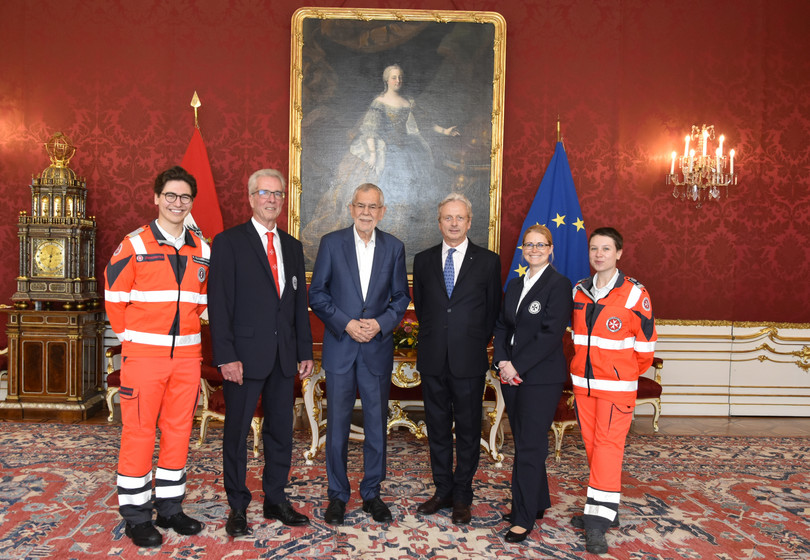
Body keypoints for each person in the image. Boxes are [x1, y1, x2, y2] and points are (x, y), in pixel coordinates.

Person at [104, 166, 209, 548]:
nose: (177, 203)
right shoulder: (134, 244)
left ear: (191, 203)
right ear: (156, 198)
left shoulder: (203, 248)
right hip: (144, 359)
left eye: (184, 197)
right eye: (170, 196)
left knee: (179, 433)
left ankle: (169, 508)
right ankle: (135, 516)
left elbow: (201, 304)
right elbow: (114, 298)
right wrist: (135, 341)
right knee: (139, 433)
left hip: (186, 359)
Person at [207, 169, 314, 537]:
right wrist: (226, 356)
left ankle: (275, 498)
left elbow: (298, 305)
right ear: (251, 198)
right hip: (243, 359)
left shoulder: (293, 246)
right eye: (264, 193)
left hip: (284, 358)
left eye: (278, 194)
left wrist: (304, 350)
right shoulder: (228, 242)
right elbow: (218, 304)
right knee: (236, 434)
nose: (272, 199)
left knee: (281, 431)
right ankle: (237, 505)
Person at [309, 183, 410, 525]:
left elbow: (400, 298)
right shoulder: (331, 243)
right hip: (341, 347)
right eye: (361, 206)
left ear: (382, 211)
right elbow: (318, 295)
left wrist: (379, 324)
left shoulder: (394, 247)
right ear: (351, 208)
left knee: (376, 426)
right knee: (336, 426)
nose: (366, 212)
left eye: (373, 207)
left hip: (376, 350)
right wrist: (346, 323)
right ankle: (337, 496)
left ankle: (372, 493)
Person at [302, 64, 459, 265]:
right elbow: (370, 130)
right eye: (394, 77)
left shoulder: (408, 102)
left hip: (408, 151)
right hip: (385, 150)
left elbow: (425, 123)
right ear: (387, 80)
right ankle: (378, 243)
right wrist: (375, 155)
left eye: (400, 77)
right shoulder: (379, 102)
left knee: (415, 189)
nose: (398, 81)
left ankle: (403, 242)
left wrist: (445, 131)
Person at [412, 192, 501, 524]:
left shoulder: (488, 261)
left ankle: (463, 494)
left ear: (469, 221)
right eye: (447, 217)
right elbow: (424, 309)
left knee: (467, 430)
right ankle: (442, 490)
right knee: (436, 429)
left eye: (459, 217)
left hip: (469, 360)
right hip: (434, 358)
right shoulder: (422, 260)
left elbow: (491, 311)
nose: (453, 223)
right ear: (439, 222)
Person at [570, 227, 657, 554]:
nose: (599, 254)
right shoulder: (578, 291)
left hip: (616, 388)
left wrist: (621, 374)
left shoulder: (636, 294)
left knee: (608, 448)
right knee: (594, 447)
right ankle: (608, 508)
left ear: (619, 253)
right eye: (594, 248)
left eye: (606, 249)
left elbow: (646, 349)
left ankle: (597, 522)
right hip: (583, 387)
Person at [492, 225, 573, 543]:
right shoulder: (514, 284)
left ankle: (523, 516)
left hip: (540, 377)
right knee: (526, 439)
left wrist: (517, 366)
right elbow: (501, 326)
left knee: (528, 446)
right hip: (510, 374)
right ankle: (537, 501)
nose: (535, 249)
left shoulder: (559, 284)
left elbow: (551, 335)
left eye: (541, 245)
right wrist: (501, 361)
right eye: (529, 245)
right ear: (523, 249)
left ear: (551, 249)